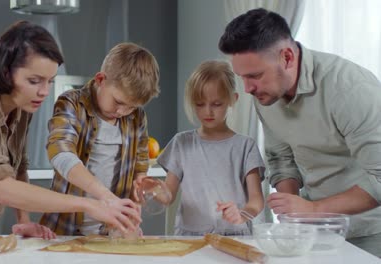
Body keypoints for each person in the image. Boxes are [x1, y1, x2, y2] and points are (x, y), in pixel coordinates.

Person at [0, 21, 140, 242]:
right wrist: (90, 204)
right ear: (5, 72)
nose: (44, 92)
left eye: (50, 81)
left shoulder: (20, 106)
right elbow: (3, 188)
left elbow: (17, 166)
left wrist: (23, 220)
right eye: (34, 80)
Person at [218, 8, 381, 256]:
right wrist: (292, 209)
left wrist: (313, 210)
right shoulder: (265, 93)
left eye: (255, 75)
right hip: (314, 232)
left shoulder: (351, 89)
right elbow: (280, 158)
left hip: (372, 232)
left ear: (287, 57)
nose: (248, 88)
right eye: (242, 77)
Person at [39, 42, 160, 236]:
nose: (122, 112)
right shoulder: (71, 103)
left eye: (131, 107)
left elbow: (140, 165)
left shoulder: (137, 117)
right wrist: (105, 196)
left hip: (110, 231)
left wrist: (138, 194)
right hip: (64, 229)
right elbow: (61, 153)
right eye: (119, 102)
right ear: (101, 79)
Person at [156, 60, 265, 236]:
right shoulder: (181, 143)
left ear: (232, 100)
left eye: (216, 104)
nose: (208, 112)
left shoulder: (246, 147)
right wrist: (151, 189)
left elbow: (256, 201)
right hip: (190, 239)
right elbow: (167, 196)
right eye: (200, 104)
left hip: (235, 237)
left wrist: (242, 214)